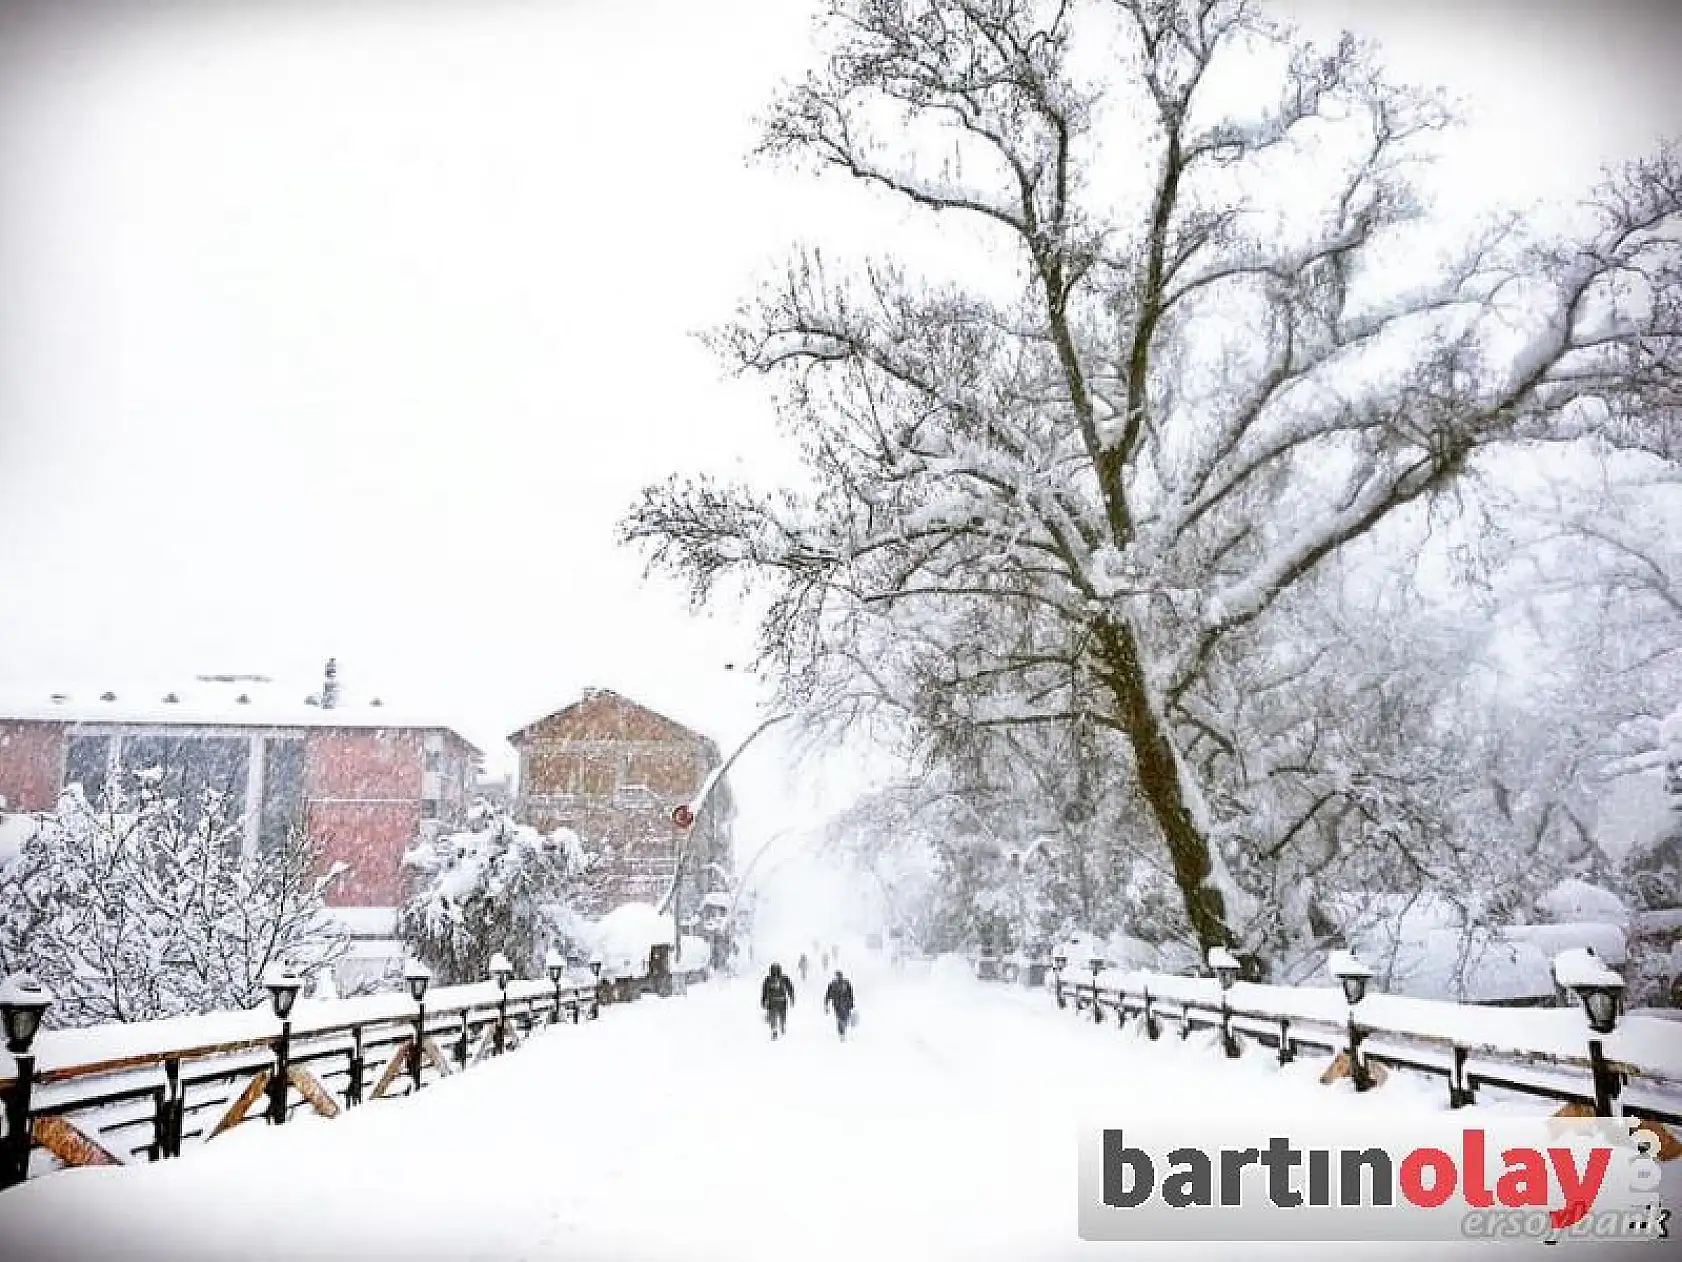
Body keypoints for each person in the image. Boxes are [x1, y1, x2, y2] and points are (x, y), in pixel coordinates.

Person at [761, 963, 795, 1039]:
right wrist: (792, 998)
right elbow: (790, 989)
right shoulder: (784, 978)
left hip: (772, 1002)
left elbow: (764, 991)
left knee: (773, 1016)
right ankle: (781, 1026)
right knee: (782, 1015)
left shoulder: (768, 979)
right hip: (781, 1001)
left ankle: (775, 1029)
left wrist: (763, 1001)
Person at [823, 970, 855, 1040]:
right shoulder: (832, 985)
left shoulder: (846, 983)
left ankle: (843, 1029)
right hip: (837, 1005)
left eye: (839, 976)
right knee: (839, 1018)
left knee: (846, 1018)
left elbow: (850, 993)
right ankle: (841, 1033)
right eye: (837, 976)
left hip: (846, 1004)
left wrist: (852, 1002)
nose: (838, 978)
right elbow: (828, 995)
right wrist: (826, 1004)